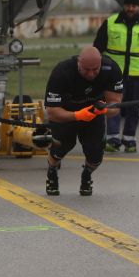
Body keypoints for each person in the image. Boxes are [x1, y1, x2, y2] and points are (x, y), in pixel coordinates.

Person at [43, 46, 123, 196]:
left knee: (95, 155)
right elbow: (52, 113)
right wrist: (78, 115)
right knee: (60, 147)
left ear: (100, 64)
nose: (91, 74)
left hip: (94, 114)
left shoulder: (110, 69)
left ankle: (87, 174)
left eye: (95, 69)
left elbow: (116, 106)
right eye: (86, 69)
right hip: (66, 113)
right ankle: (52, 170)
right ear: (79, 63)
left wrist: (104, 109)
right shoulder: (62, 72)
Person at [93, 0, 139, 153]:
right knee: (112, 107)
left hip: (138, 76)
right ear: (123, 6)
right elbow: (97, 47)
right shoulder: (110, 23)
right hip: (113, 76)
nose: (131, 8)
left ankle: (129, 140)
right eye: (128, 5)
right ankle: (112, 139)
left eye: (134, 6)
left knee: (134, 108)